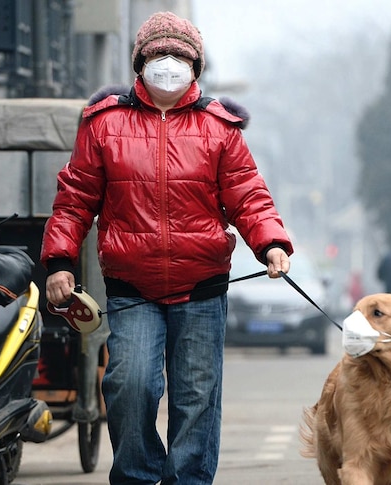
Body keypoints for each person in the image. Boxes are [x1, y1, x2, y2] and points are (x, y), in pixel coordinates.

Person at [40, 11, 293, 484]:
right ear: (140, 62)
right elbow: (74, 199)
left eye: (179, 55)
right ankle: (137, 475)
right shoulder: (103, 123)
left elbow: (249, 196)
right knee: (129, 386)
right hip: (132, 288)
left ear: (195, 65)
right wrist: (58, 261)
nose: (169, 63)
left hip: (202, 288)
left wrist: (271, 243)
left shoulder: (220, 128)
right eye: (159, 54)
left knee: (196, 397)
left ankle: (188, 479)